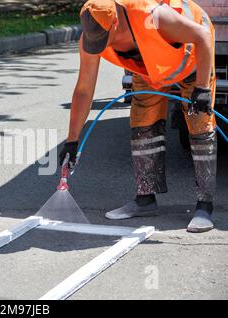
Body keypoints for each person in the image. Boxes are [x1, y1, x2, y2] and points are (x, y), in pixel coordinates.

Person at [59, 0, 217, 233]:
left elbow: (203, 35)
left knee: (199, 124)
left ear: (115, 22)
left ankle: (205, 206)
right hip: (149, 67)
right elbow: (84, 89)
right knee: (143, 122)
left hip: (193, 59)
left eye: (104, 38)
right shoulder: (93, 34)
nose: (100, 44)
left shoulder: (155, 16)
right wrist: (72, 139)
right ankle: (145, 200)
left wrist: (202, 88)